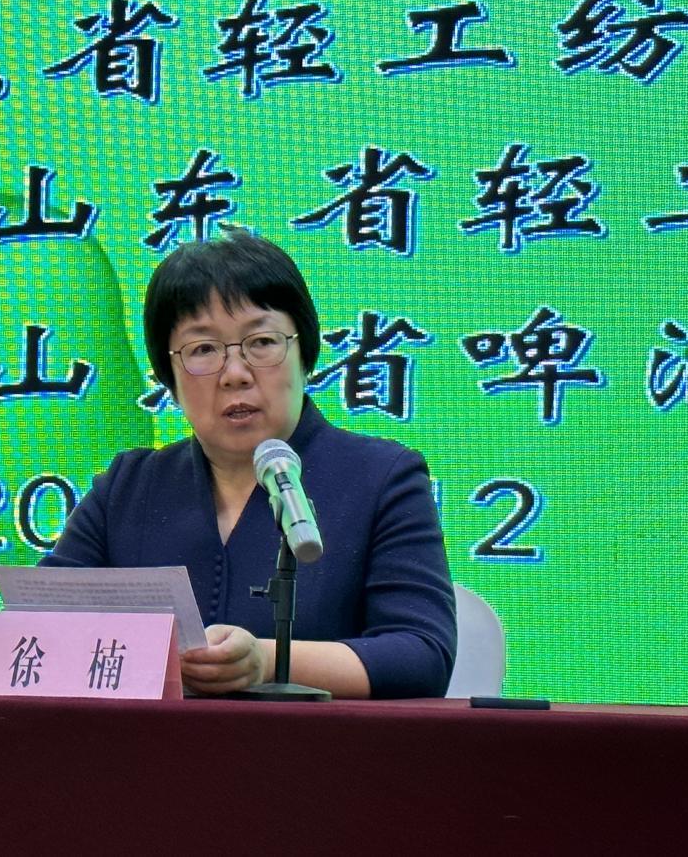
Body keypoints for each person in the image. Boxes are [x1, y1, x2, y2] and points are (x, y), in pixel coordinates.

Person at [43, 228, 456, 698]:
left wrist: (266, 661)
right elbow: (30, 629)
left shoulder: (383, 477)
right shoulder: (128, 487)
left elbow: (421, 655)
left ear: (305, 354)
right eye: (203, 350)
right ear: (168, 377)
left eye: (261, 342)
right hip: (151, 743)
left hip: (316, 743)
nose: (235, 374)